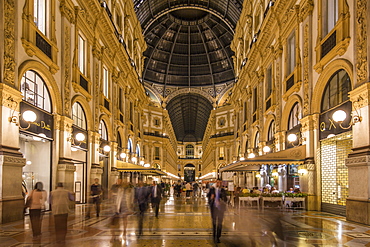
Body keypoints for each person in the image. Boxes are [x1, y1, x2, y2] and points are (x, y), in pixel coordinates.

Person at [207, 179, 228, 243]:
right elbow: (208, 196)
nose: (218, 183)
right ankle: (214, 236)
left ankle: (218, 237)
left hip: (220, 209)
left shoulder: (223, 190)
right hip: (213, 208)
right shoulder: (212, 189)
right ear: (216, 183)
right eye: (217, 182)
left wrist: (221, 199)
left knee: (219, 223)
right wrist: (211, 197)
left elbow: (226, 199)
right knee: (214, 223)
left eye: (220, 182)